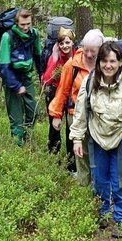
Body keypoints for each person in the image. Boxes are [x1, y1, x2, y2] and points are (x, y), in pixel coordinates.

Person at [70, 41, 122, 238]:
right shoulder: (90, 82)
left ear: (121, 62)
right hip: (97, 137)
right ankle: (102, 213)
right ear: (98, 62)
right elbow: (80, 113)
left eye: (113, 61)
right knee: (99, 179)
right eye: (104, 61)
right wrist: (77, 139)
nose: (108, 65)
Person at [48, 29, 104, 182]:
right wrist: (56, 115)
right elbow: (62, 92)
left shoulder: (106, 64)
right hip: (76, 114)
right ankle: (83, 182)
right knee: (80, 151)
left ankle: (98, 183)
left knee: (99, 150)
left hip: (100, 116)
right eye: (86, 50)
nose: (90, 54)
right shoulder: (72, 65)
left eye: (94, 51)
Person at [0, 8, 42, 146]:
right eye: (22, 24)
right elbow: (4, 67)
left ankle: (27, 136)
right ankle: (18, 147)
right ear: (16, 23)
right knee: (16, 119)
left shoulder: (34, 34)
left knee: (34, 111)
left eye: (28, 23)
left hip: (27, 78)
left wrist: (42, 76)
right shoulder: (7, 37)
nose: (26, 27)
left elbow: (38, 56)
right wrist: (17, 86)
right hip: (12, 80)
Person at [41, 27, 76, 155]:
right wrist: (55, 58)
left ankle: (71, 162)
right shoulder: (55, 56)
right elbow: (46, 79)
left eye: (67, 42)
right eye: (61, 43)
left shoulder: (77, 56)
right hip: (55, 93)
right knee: (54, 126)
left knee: (71, 127)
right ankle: (53, 156)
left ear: (72, 42)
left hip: (72, 94)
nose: (65, 46)